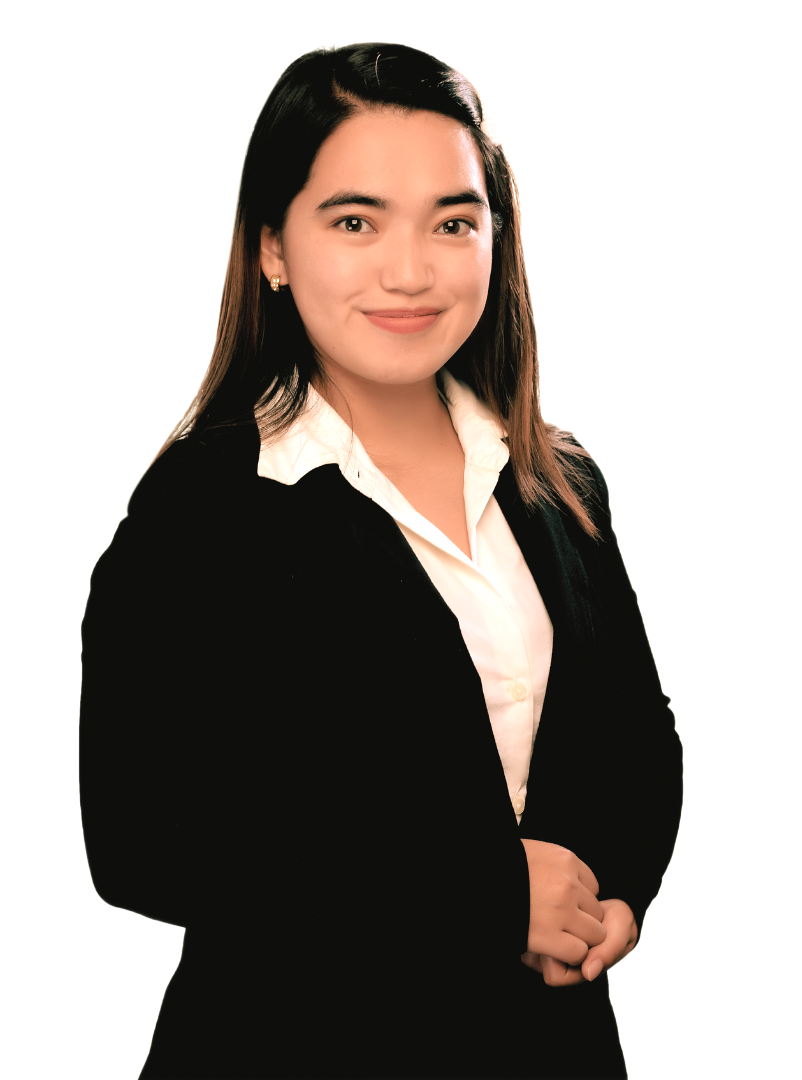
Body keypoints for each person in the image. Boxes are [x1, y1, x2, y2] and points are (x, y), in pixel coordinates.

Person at [78, 40, 684, 1078]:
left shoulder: (558, 480)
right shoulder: (203, 508)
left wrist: (618, 895)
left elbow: (639, 745)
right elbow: (147, 841)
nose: (412, 272)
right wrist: (491, 899)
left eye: (454, 222)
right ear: (272, 246)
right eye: (355, 221)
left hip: (549, 1050)